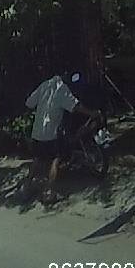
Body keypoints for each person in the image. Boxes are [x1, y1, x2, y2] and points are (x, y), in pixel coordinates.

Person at [25, 71, 100, 203]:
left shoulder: (44, 85)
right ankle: (49, 193)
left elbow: (29, 103)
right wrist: (91, 113)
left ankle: (27, 185)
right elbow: (75, 106)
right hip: (50, 133)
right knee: (55, 159)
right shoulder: (61, 88)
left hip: (37, 132)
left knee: (38, 159)